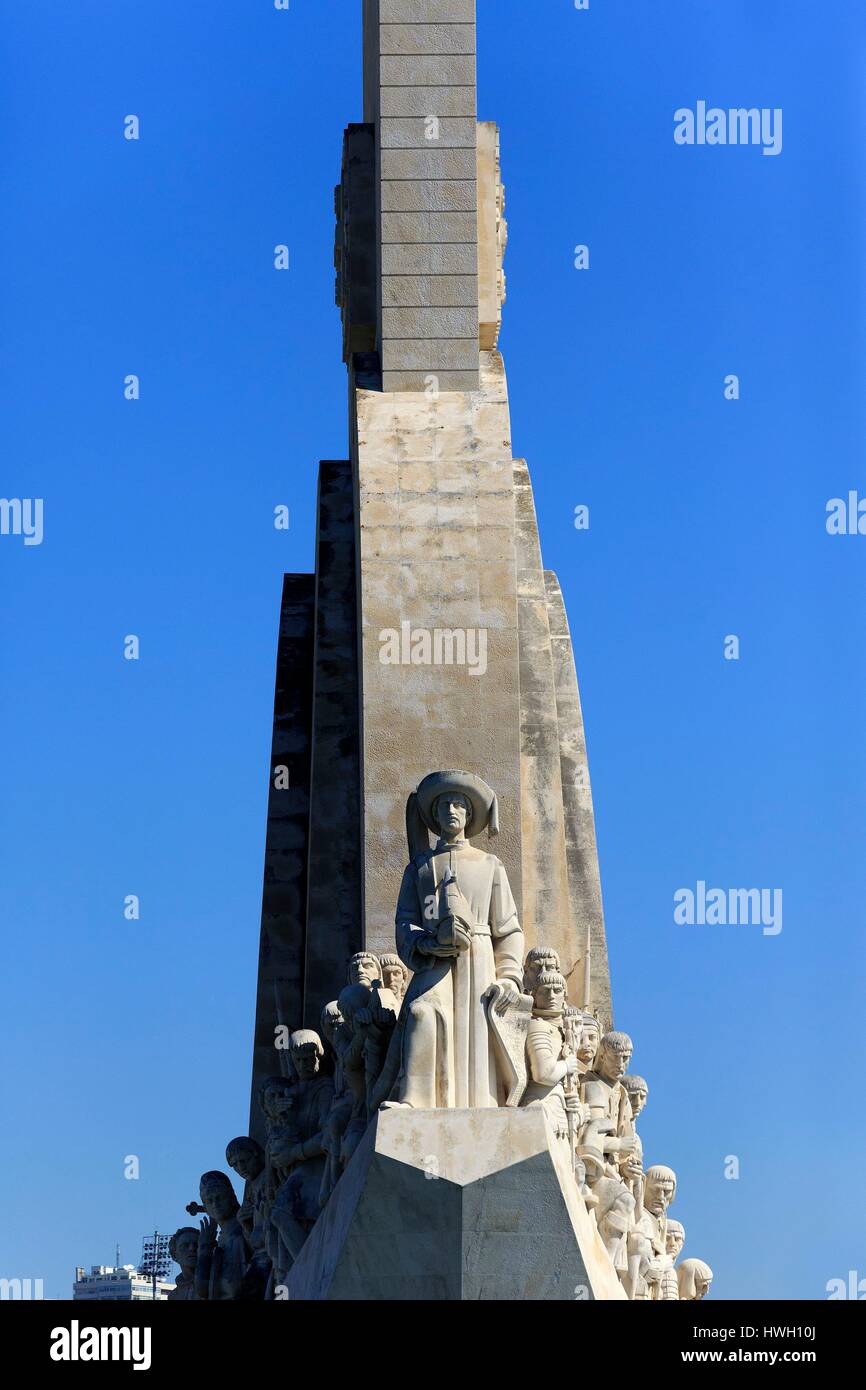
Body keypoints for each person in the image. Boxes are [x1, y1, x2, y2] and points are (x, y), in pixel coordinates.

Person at [384, 770, 525, 1110]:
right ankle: (415, 1098)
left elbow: (507, 928)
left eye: (459, 805)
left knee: (474, 1030)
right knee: (420, 1012)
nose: (451, 810)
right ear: (434, 816)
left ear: (468, 815)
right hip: (436, 958)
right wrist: (425, 944)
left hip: (479, 956)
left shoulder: (490, 865)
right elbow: (405, 922)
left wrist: (509, 976)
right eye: (445, 804)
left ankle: (481, 1105)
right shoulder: (419, 868)